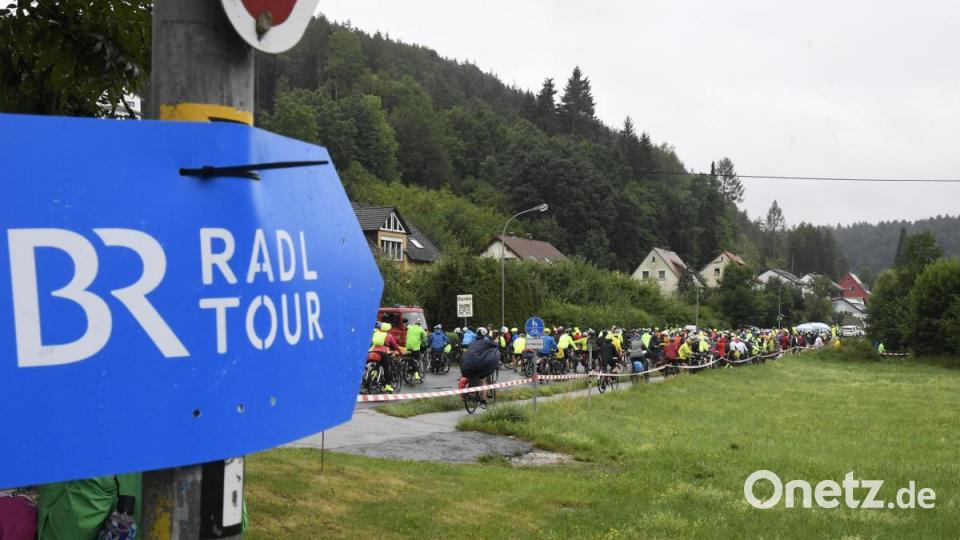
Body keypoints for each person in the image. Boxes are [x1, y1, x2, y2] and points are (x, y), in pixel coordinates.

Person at [370, 322, 403, 393]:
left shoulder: (376, 333)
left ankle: (372, 375)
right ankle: (387, 385)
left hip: (373, 351)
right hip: (383, 353)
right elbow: (394, 346)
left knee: (377, 364)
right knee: (386, 368)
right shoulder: (389, 335)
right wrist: (400, 352)